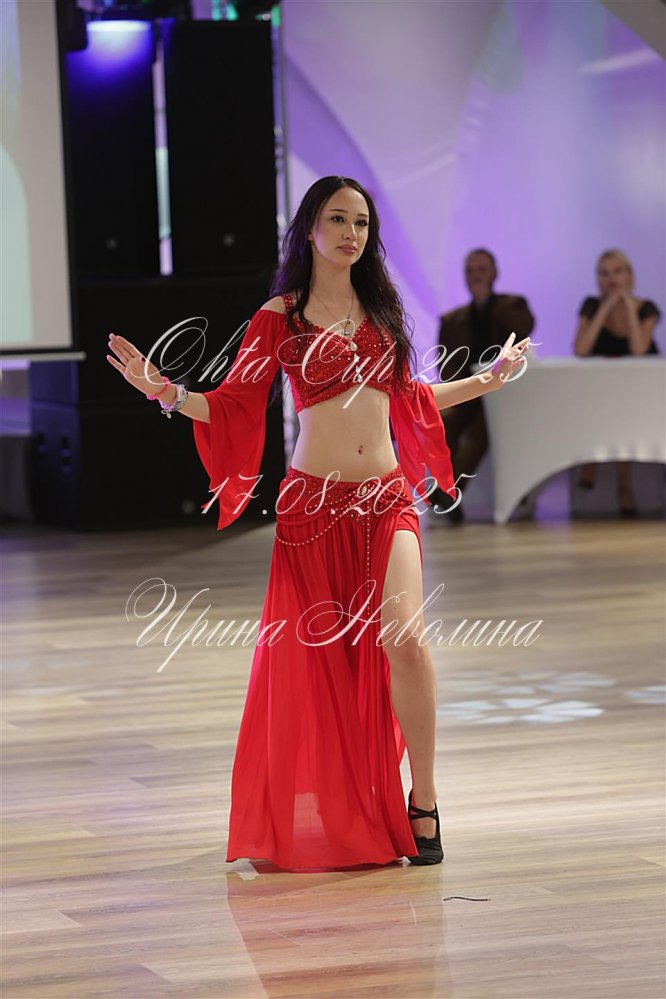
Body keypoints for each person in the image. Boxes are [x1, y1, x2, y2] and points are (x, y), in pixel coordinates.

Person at [106, 177, 530, 871]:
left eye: (361, 223)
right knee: (324, 668)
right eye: (337, 219)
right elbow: (234, 405)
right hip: (313, 509)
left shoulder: (382, 309)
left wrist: (488, 378)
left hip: (386, 500)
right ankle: (344, 806)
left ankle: (423, 798)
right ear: (309, 228)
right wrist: (168, 392)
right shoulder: (279, 316)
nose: (350, 233)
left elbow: (410, 398)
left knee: (406, 640)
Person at [434, 249, 535, 522]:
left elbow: (524, 327)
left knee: (483, 428)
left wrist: (487, 302)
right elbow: (446, 365)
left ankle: (448, 492)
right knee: (443, 423)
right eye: (470, 271)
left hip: (506, 393)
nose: (476, 276)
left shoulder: (513, 306)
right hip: (469, 392)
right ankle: (446, 490)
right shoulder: (451, 320)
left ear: (494, 273)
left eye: (482, 270)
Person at [574, 249, 661, 518]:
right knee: (607, 403)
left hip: (640, 389)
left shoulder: (647, 308)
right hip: (603, 390)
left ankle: (595, 466)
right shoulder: (591, 306)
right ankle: (623, 488)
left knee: (621, 408)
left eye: (617, 272)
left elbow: (638, 349)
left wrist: (628, 307)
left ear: (629, 275)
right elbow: (581, 349)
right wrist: (606, 308)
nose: (611, 279)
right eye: (604, 273)